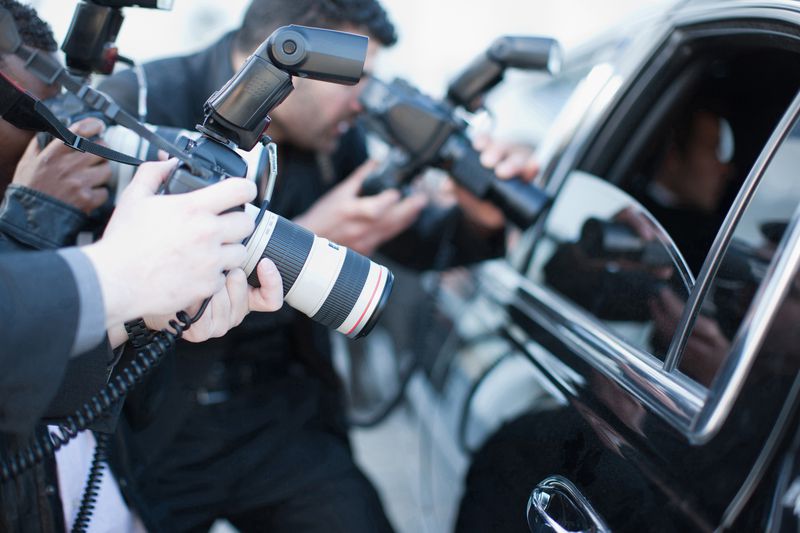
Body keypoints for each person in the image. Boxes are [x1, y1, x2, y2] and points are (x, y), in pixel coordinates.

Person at [98, 0, 537, 531]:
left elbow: (417, 244)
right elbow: (89, 282)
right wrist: (309, 232)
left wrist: (479, 219)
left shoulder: (335, 138)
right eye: (356, 80)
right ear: (294, 58)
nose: (364, 105)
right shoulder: (140, 103)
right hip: (155, 424)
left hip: (285, 415)